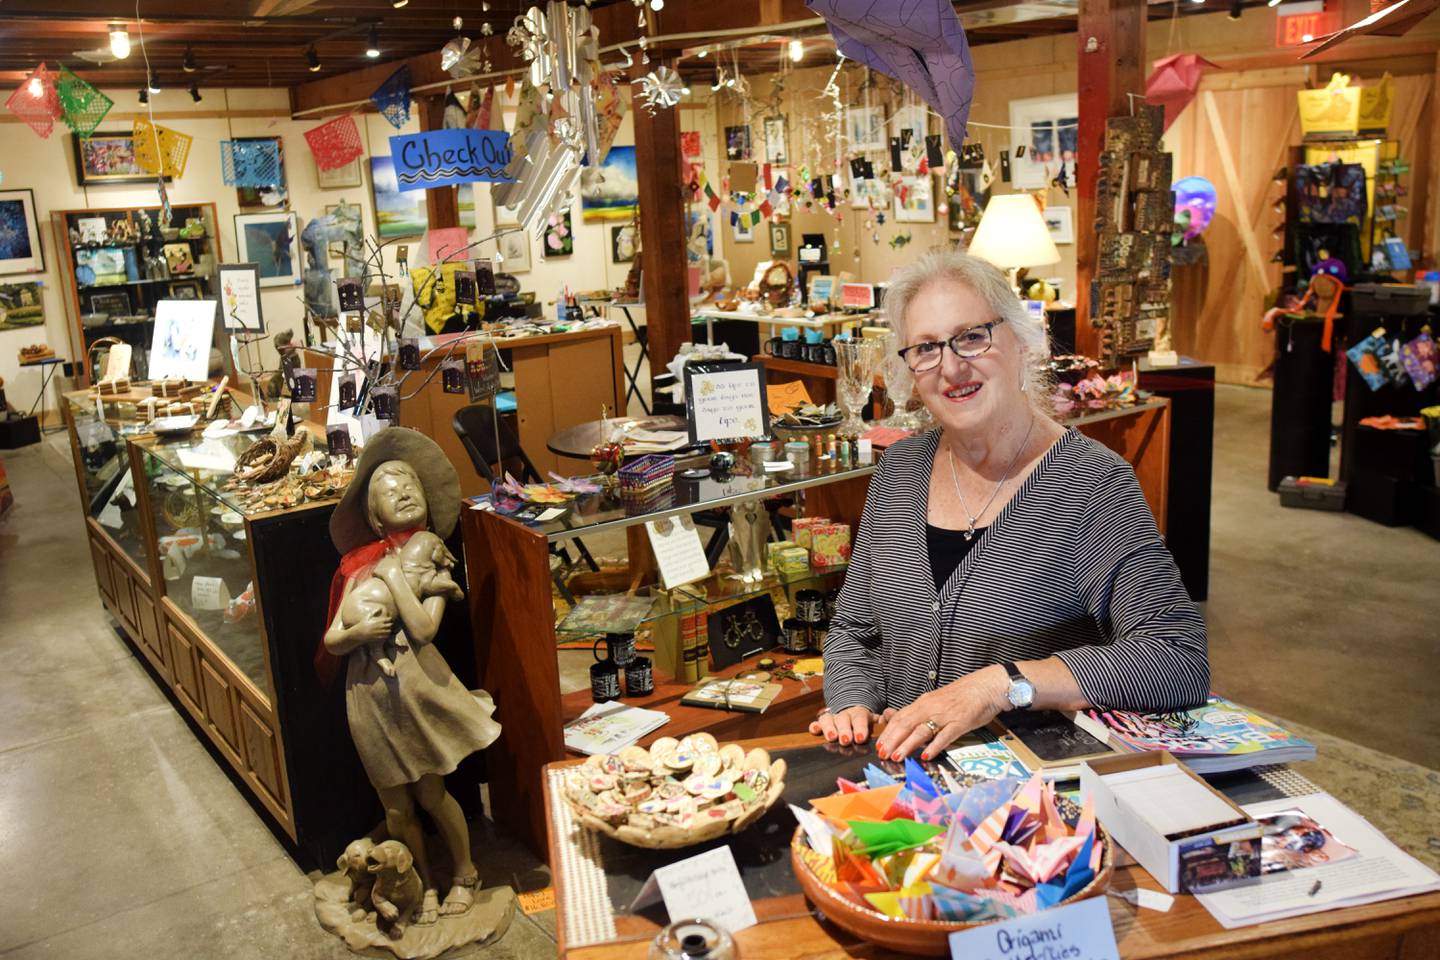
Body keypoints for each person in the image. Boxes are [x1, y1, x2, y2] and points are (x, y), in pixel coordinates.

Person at [811, 251, 1208, 763]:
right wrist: (851, 706)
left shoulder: (1091, 482)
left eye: (972, 336)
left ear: (1022, 341)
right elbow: (853, 632)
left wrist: (1000, 686)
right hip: (902, 789)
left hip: (1028, 804)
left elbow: (1176, 658)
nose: (951, 367)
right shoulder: (901, 469)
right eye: (927, 348)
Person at [324, 428, 501, 925]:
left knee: (432, 794)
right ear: (374, 514)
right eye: (388, 485)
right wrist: (359, 630)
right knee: (397, 809)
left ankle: (465, 871)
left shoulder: (433, 565)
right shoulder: (357, 572)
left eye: (410, 482)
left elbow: (423, 629)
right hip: (367, 699)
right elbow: (333, 641)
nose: (402, 488)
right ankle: (415, 881)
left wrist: (397, 578)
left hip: (416, 694)